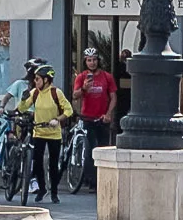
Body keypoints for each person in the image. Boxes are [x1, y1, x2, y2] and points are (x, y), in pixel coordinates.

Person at [17, 62, 73, 201]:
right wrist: (23, 101)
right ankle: (42, 189)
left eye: (37, 79)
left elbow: (69, 110)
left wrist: (58, 119)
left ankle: (54, 193)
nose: (35, 82)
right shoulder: (35, 93)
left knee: (53, 164)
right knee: (37, 162)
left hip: (54, 133)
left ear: (46, 80)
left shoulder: (56, 93)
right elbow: (23, 109)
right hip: (39, 132)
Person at [71, 48, 116, 183]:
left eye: (94, 60)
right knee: (90, 148)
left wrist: (108, 114)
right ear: (85, 62)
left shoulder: (107, 77)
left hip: (102, 118)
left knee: (103, 149)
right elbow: (75, 96)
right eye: (89, 60)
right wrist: (84, 88)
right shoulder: (81, 77)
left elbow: (113, 97)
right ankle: (90, 179)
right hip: (87, 118)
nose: (92, 63)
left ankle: (103, 178)